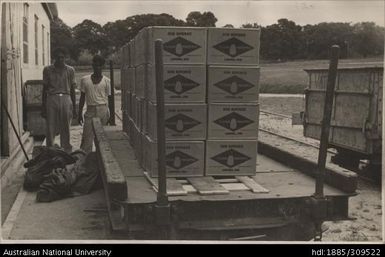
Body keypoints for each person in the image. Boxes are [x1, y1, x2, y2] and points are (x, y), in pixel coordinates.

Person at [42, 47, 77, 153]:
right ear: (54, 58)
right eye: (58, 57)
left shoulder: (70, 70)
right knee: (50, 126)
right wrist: (43, 107)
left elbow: (72, 89)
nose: (61, 60)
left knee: (66, 125)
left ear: (65, 58)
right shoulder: (47, 69)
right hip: (52, 97)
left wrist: (74, 108)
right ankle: (50, 148)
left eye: (62, 57)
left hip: (66, 97)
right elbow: (44, 89)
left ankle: (66, 149)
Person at [78, 55, 111, 153]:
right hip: (90, 110)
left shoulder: (107, 81)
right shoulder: (85, 80)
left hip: (103, 109)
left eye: (99, 66)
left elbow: (110, 99)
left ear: (102, 67)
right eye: (95, 65)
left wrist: (111, 116)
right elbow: (82, 97)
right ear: (92, 66)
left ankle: (99, 159)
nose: (97, 68)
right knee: (87, 138)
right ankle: (85, 159)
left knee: (102, 138)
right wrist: (79, 113)